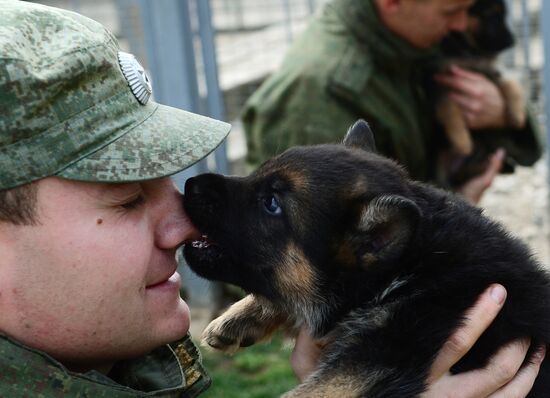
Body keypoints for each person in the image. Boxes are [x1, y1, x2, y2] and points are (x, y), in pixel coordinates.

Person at [0, 2, 543, 397]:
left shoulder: (130, 371)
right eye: (123, 201)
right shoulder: (325, 83)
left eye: (163, 183)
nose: (182, 224)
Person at [242, 0, 543, 204]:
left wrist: (501, 113)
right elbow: (324, 260)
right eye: (450, 11)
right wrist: (455, 207)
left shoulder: (410, 36)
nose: (461, 25)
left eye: (468, 9)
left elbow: (529, 151)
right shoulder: (321, 95)